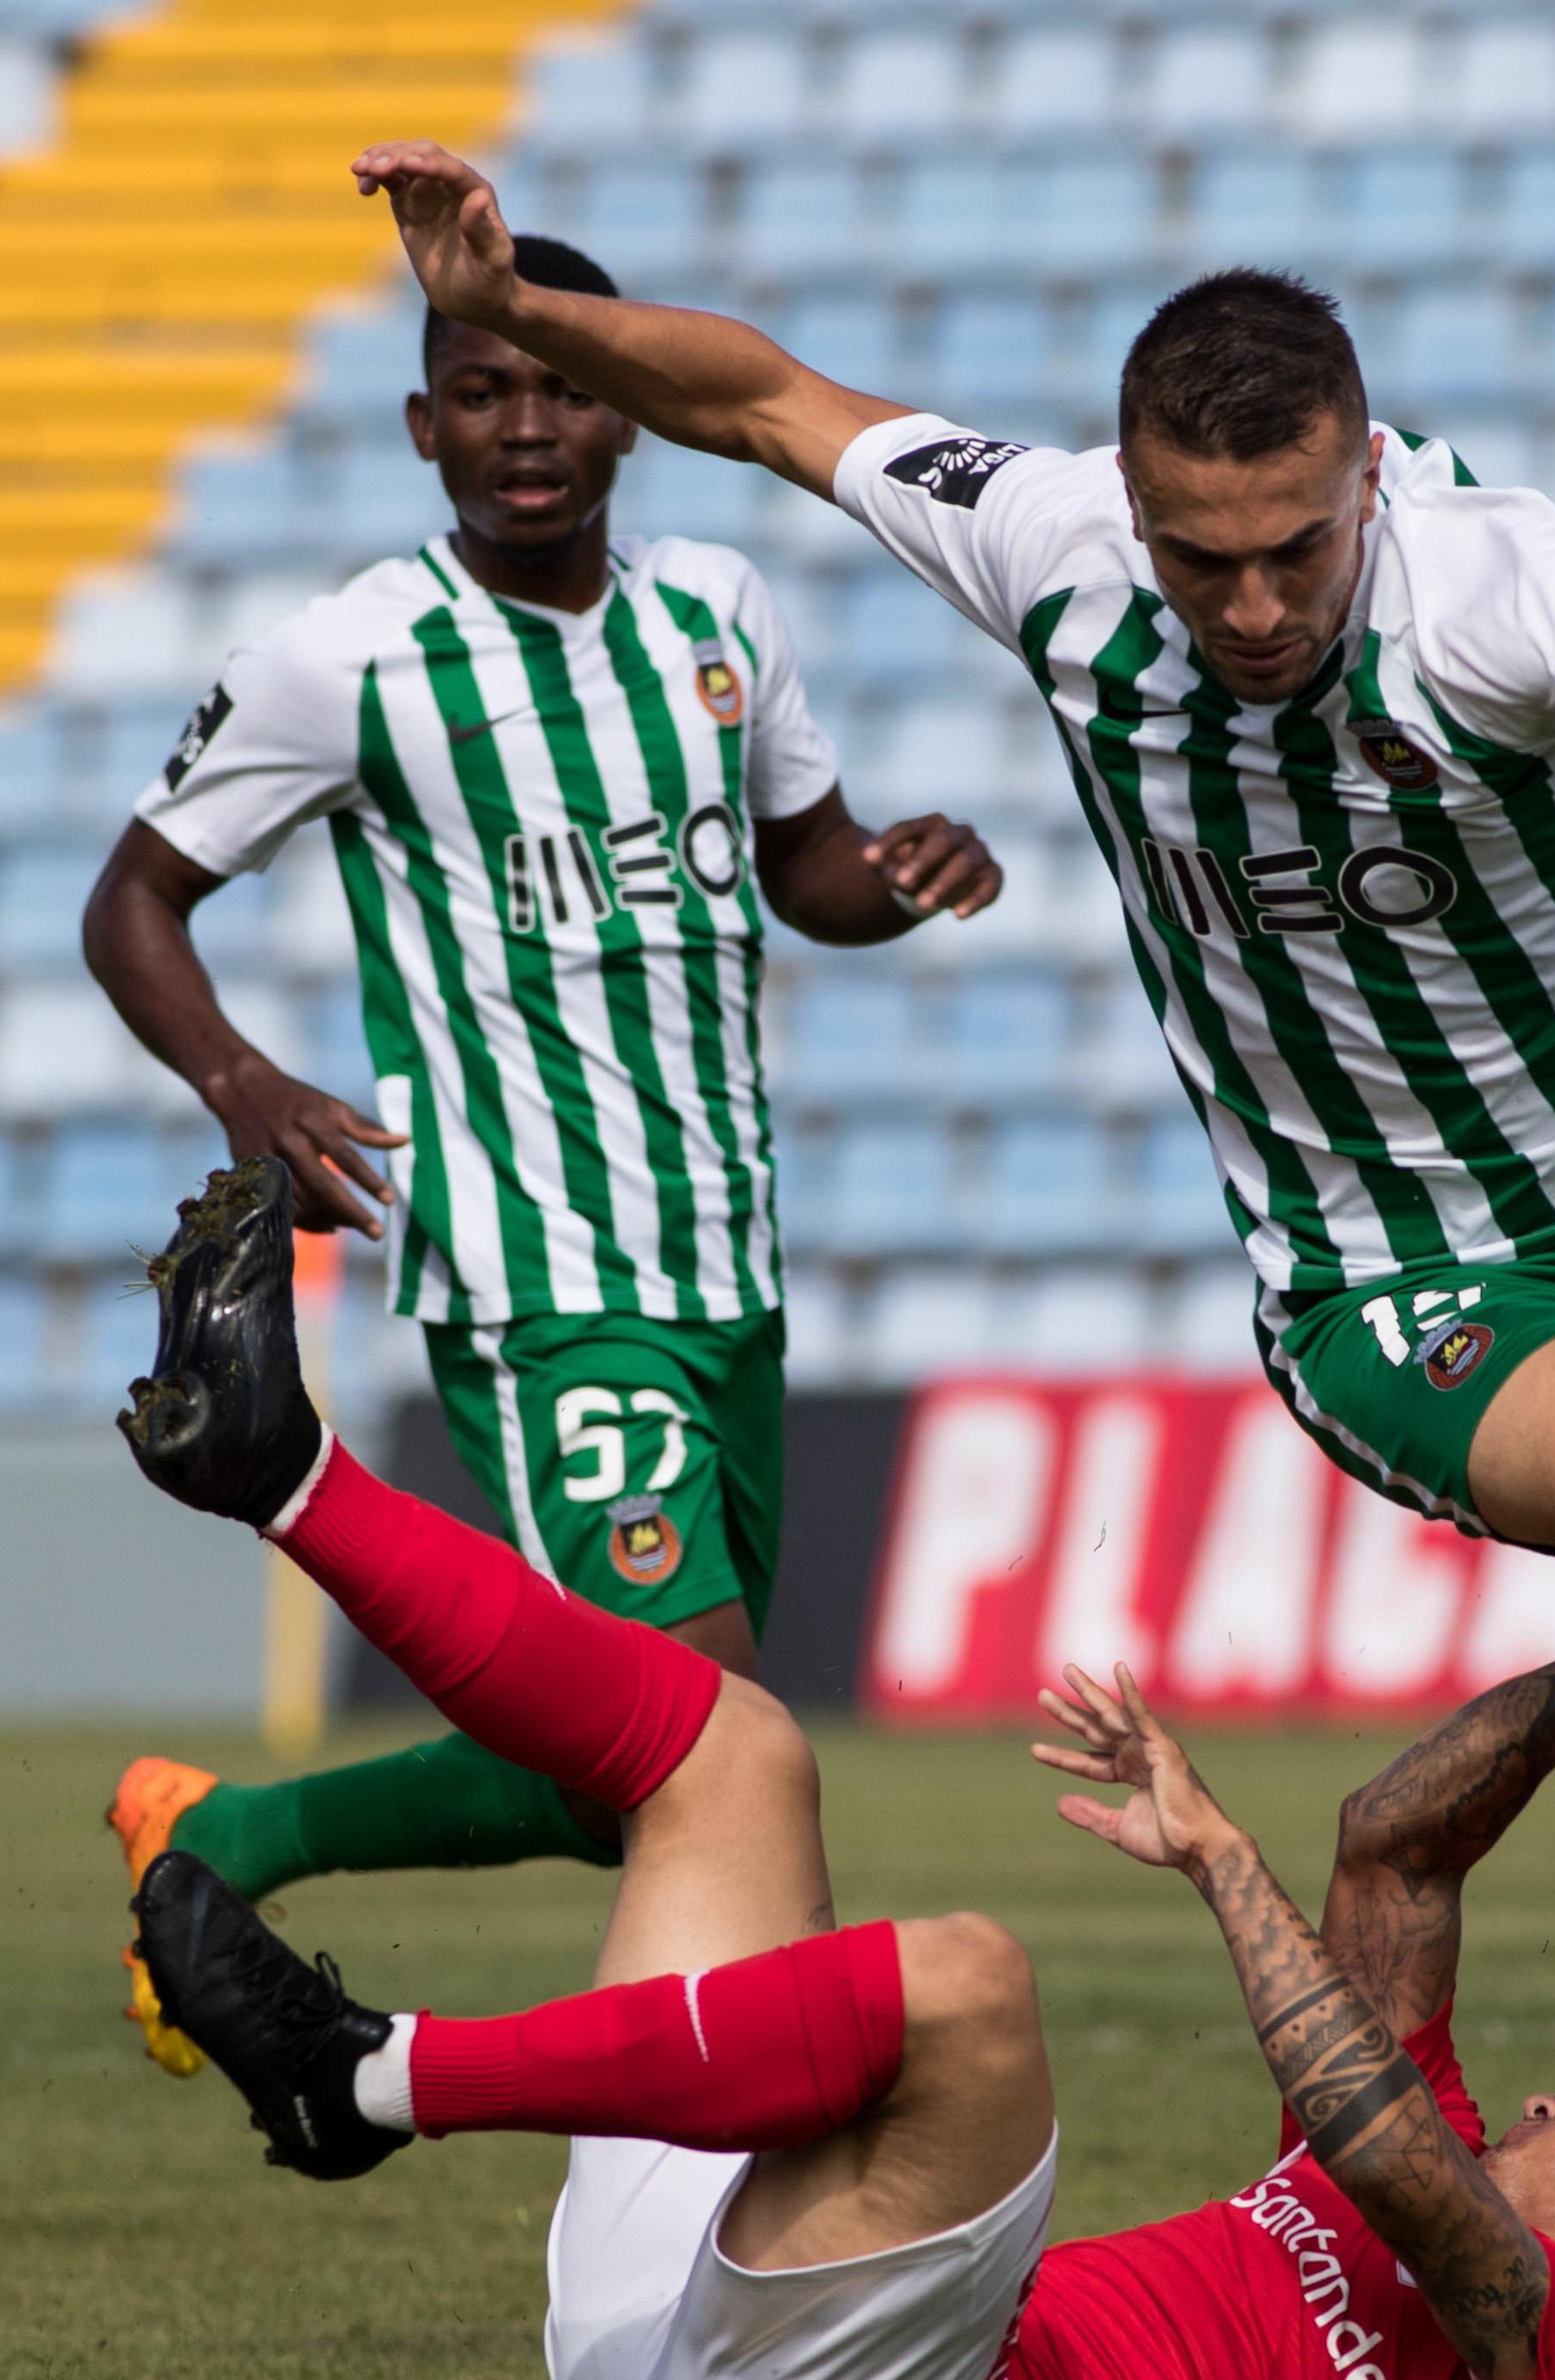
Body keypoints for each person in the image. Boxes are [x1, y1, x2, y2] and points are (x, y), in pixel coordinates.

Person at [338, 140, 1555, 1913]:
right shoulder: (1049, 547)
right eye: (1199, 557)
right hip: (1384, 1264)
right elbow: (768, 400)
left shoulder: (1483, 597)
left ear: (1365, 477)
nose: (1252, 606)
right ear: (1129, 502)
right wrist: (514, 305)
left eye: (1296, 548)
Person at [113, 1154, 1555, 2380]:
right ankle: (288, 1473)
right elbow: (1395, 1849)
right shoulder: (1438, 2189)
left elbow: (1383, 2148)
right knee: (730, 1753)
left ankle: (376, 2081)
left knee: (967, 1987)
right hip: (694, 2356)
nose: (1544, 2101)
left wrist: (1215, 1860)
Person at [76, 232, 1005, 2071]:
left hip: (726, 1274)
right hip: (537, 1281)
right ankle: (774, 2151)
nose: (525, 425)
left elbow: (806, 869)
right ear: (422, 424)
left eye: (565, 385)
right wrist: (246, 1085)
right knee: (723, 1742)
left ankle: (223, 1836)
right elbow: (132, 903)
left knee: (619, 1773)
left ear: (627, 412)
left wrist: (898, 875)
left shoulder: (718, 614)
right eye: (482, 389)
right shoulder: (351, 659)